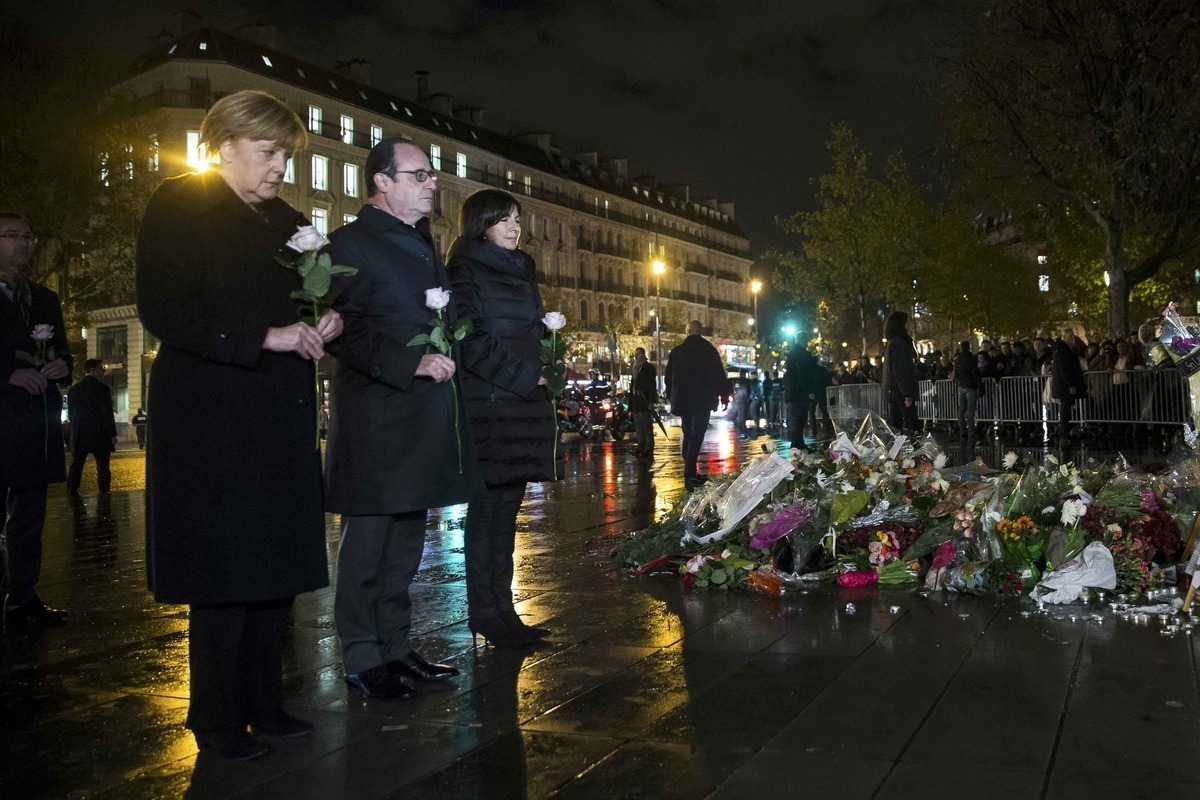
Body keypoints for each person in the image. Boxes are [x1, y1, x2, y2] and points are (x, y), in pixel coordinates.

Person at [136, 91, 340, 760]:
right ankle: (215, 717)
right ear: (223, 145)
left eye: (286, 153)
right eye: (268, 151)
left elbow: (316, 295)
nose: (281, 165)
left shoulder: (285, 219)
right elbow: (166, 309)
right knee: (224, 578)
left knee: (273, 572)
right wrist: (264, 338)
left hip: (277, 416)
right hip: (211, 418)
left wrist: (326, 319)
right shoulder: (178, 205)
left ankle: (264, 702)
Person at [325, 138, 470, 699]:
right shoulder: (351, 243)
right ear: (382, 182)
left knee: (408, 540)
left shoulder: (420, 243)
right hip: (377, 415)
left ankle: (396, 646)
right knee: (369, 540)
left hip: (420, 414)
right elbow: (340, 328)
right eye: (419, 175)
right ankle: (362, 656)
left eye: (432, 174)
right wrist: (408, 363)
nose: (432, 183)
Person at [448, 188, 556, 648]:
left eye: (518, 218)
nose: (515, 226)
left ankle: (503, 613)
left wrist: (549, 362)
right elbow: (468, 339)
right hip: (490, 406)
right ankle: (487, 613)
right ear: (481, 224)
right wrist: (523, 377)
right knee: (488, 513)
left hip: (522, 404)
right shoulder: (464, 268)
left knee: (506, 514)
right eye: (505, 219)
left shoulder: (522, 269)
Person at [1, 212, 73, 637]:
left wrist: (63, 366)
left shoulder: (44, 299)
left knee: (28, 518)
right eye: (12, 236)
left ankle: (23, 596)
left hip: (34, 427)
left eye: (28, 235)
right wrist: (6, 374)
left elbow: (61, 350)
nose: (24, 243)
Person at [665, 320, 730, 490]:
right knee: (697, 434)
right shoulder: (709, 350)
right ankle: (689, 473)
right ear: (700, 332)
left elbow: (668, 376)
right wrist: (723, 396)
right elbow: (719, 375)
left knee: (688, 434)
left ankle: (690, 471)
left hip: (684, 399)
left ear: (687, 331)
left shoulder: (678, 351)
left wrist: (671, 395)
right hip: (703, 398)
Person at [65, 359, 117, 496]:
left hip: (80, 433)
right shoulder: (102, 389)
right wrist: (112, 434)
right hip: (99, 433)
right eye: (101, 368)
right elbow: (107, 413)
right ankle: (104, 491)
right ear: (94, 370)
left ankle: (72, 491)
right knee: (103, 466)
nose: (103, 370)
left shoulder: (74, 390)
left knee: (77, 465)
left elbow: (71, 414)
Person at [784, 344, 830, 451]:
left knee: (798, 420)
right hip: (799, 396)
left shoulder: (790, 371)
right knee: (799, 420)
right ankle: (796, 445)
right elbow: (803, 378)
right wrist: (808, 391)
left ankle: (797, 443)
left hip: (794, 396)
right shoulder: (799, 363)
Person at [881, 311, 919, 433]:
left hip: (894, 391)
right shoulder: (899, 342)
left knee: (896, 424)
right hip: (901, 391)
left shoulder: (892, 342)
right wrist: (907, 393)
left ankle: (895, 449)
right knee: (912, 423)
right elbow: (900, 369)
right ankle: (916, 448)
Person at [1050, 326, 1088, 439]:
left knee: (1066, 407)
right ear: (1064, 337)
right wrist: (1070, 384)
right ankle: (1064, 431)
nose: (1073, 338)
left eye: (1073, 335)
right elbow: (1064, 369)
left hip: (1064, 385)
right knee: (1065, 407)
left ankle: (1065, 429)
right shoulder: (1063, 351)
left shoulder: (1065, 349)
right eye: (1070, 335)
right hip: (1065, 386)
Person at [629, 346, 657, 457]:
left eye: (638, 354)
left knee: (646, 425)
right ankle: (641, 446)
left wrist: (650, 400)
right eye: (635, 355)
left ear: (643, 354)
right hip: (636, 402)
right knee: (639, 427)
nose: (636, 357)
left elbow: (651, 385)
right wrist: (630, 405)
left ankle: (648, 447)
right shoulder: (635, 369)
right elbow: (633, 387)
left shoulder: (648, 368)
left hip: (644, 401)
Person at [953, 340, 981, 440]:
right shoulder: (972, 358)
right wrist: (980, 386)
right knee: (970, 411)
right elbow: (975, 373)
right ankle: (971, 432)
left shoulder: (958, 360)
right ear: (968, 347)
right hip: (970, 385)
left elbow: (956, 374)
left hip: (961, 385)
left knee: (961, 410)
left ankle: (962, 431)